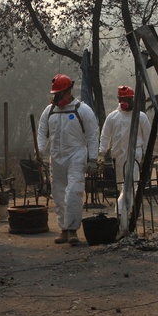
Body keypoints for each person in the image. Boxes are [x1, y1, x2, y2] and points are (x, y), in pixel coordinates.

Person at [36, 73, 99, 245]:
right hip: (56, 158)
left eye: (59, 93)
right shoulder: (49, 111)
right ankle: (64, 229)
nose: (56, 97)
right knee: (58, 194)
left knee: (73, 192)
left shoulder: (82, 110)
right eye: (54, 94)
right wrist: (39, 152)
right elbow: (42, 133)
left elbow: (93, 135)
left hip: (76, 156)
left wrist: (93, 158)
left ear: (68, 91)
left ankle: (73, 230)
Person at [98, 85, 151, 216]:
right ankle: (132, 208)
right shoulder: (113, 117)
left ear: (133, 99)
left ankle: (121, 212)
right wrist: (101, 153)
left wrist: (146, 154)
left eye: (128, 99)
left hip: (134, 155)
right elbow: (105, 136)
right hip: (118, 156)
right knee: (121, 185)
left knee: (131, 183)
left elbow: (147, 137)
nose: (126, 102)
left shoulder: (140, 116)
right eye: (123, 99)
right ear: (119, 99)